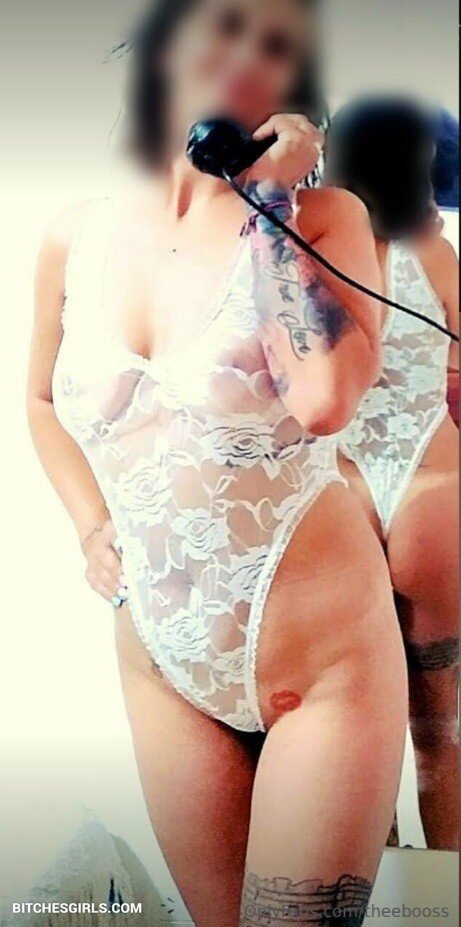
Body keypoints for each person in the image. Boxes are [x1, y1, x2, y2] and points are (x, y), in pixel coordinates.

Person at [27, 3, 408, 924]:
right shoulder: (74, 234)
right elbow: (39, 401)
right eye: (226, 23)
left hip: (322, 664)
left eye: (275, 46)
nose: (247, 54)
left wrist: (271, 201)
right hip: (163, 661)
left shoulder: (325, 219)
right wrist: (89, 526)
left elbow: (321, 400)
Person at [324, 96, 459, 851]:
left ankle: (390, 896)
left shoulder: (309, 246)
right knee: (432, 730)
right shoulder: (432, 254)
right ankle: (438, 894)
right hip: (420, 484)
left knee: (363, 730)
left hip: (346, 490)